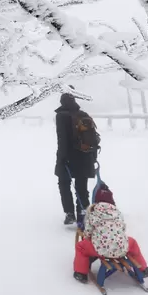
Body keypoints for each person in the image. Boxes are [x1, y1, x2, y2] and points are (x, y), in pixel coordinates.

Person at [73, 184, 148, 284]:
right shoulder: (117, 212)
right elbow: (123, 228)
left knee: (80, 247)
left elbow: (88, 232)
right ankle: (143, 269)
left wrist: (90, 236)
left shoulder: (93, 212)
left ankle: (81, 273)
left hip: (101, 249)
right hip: (121, 248)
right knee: (133, 243)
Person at [54, 93, 98, 225]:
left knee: (64, 183)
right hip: (85, 156)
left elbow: (62, 140)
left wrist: (61, 158)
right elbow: (93, 138)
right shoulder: (83, 114)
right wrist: (93, 157)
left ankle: (69, 213)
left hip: (69, 156)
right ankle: (82, 215)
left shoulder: (61, 116)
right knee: (81, 187)